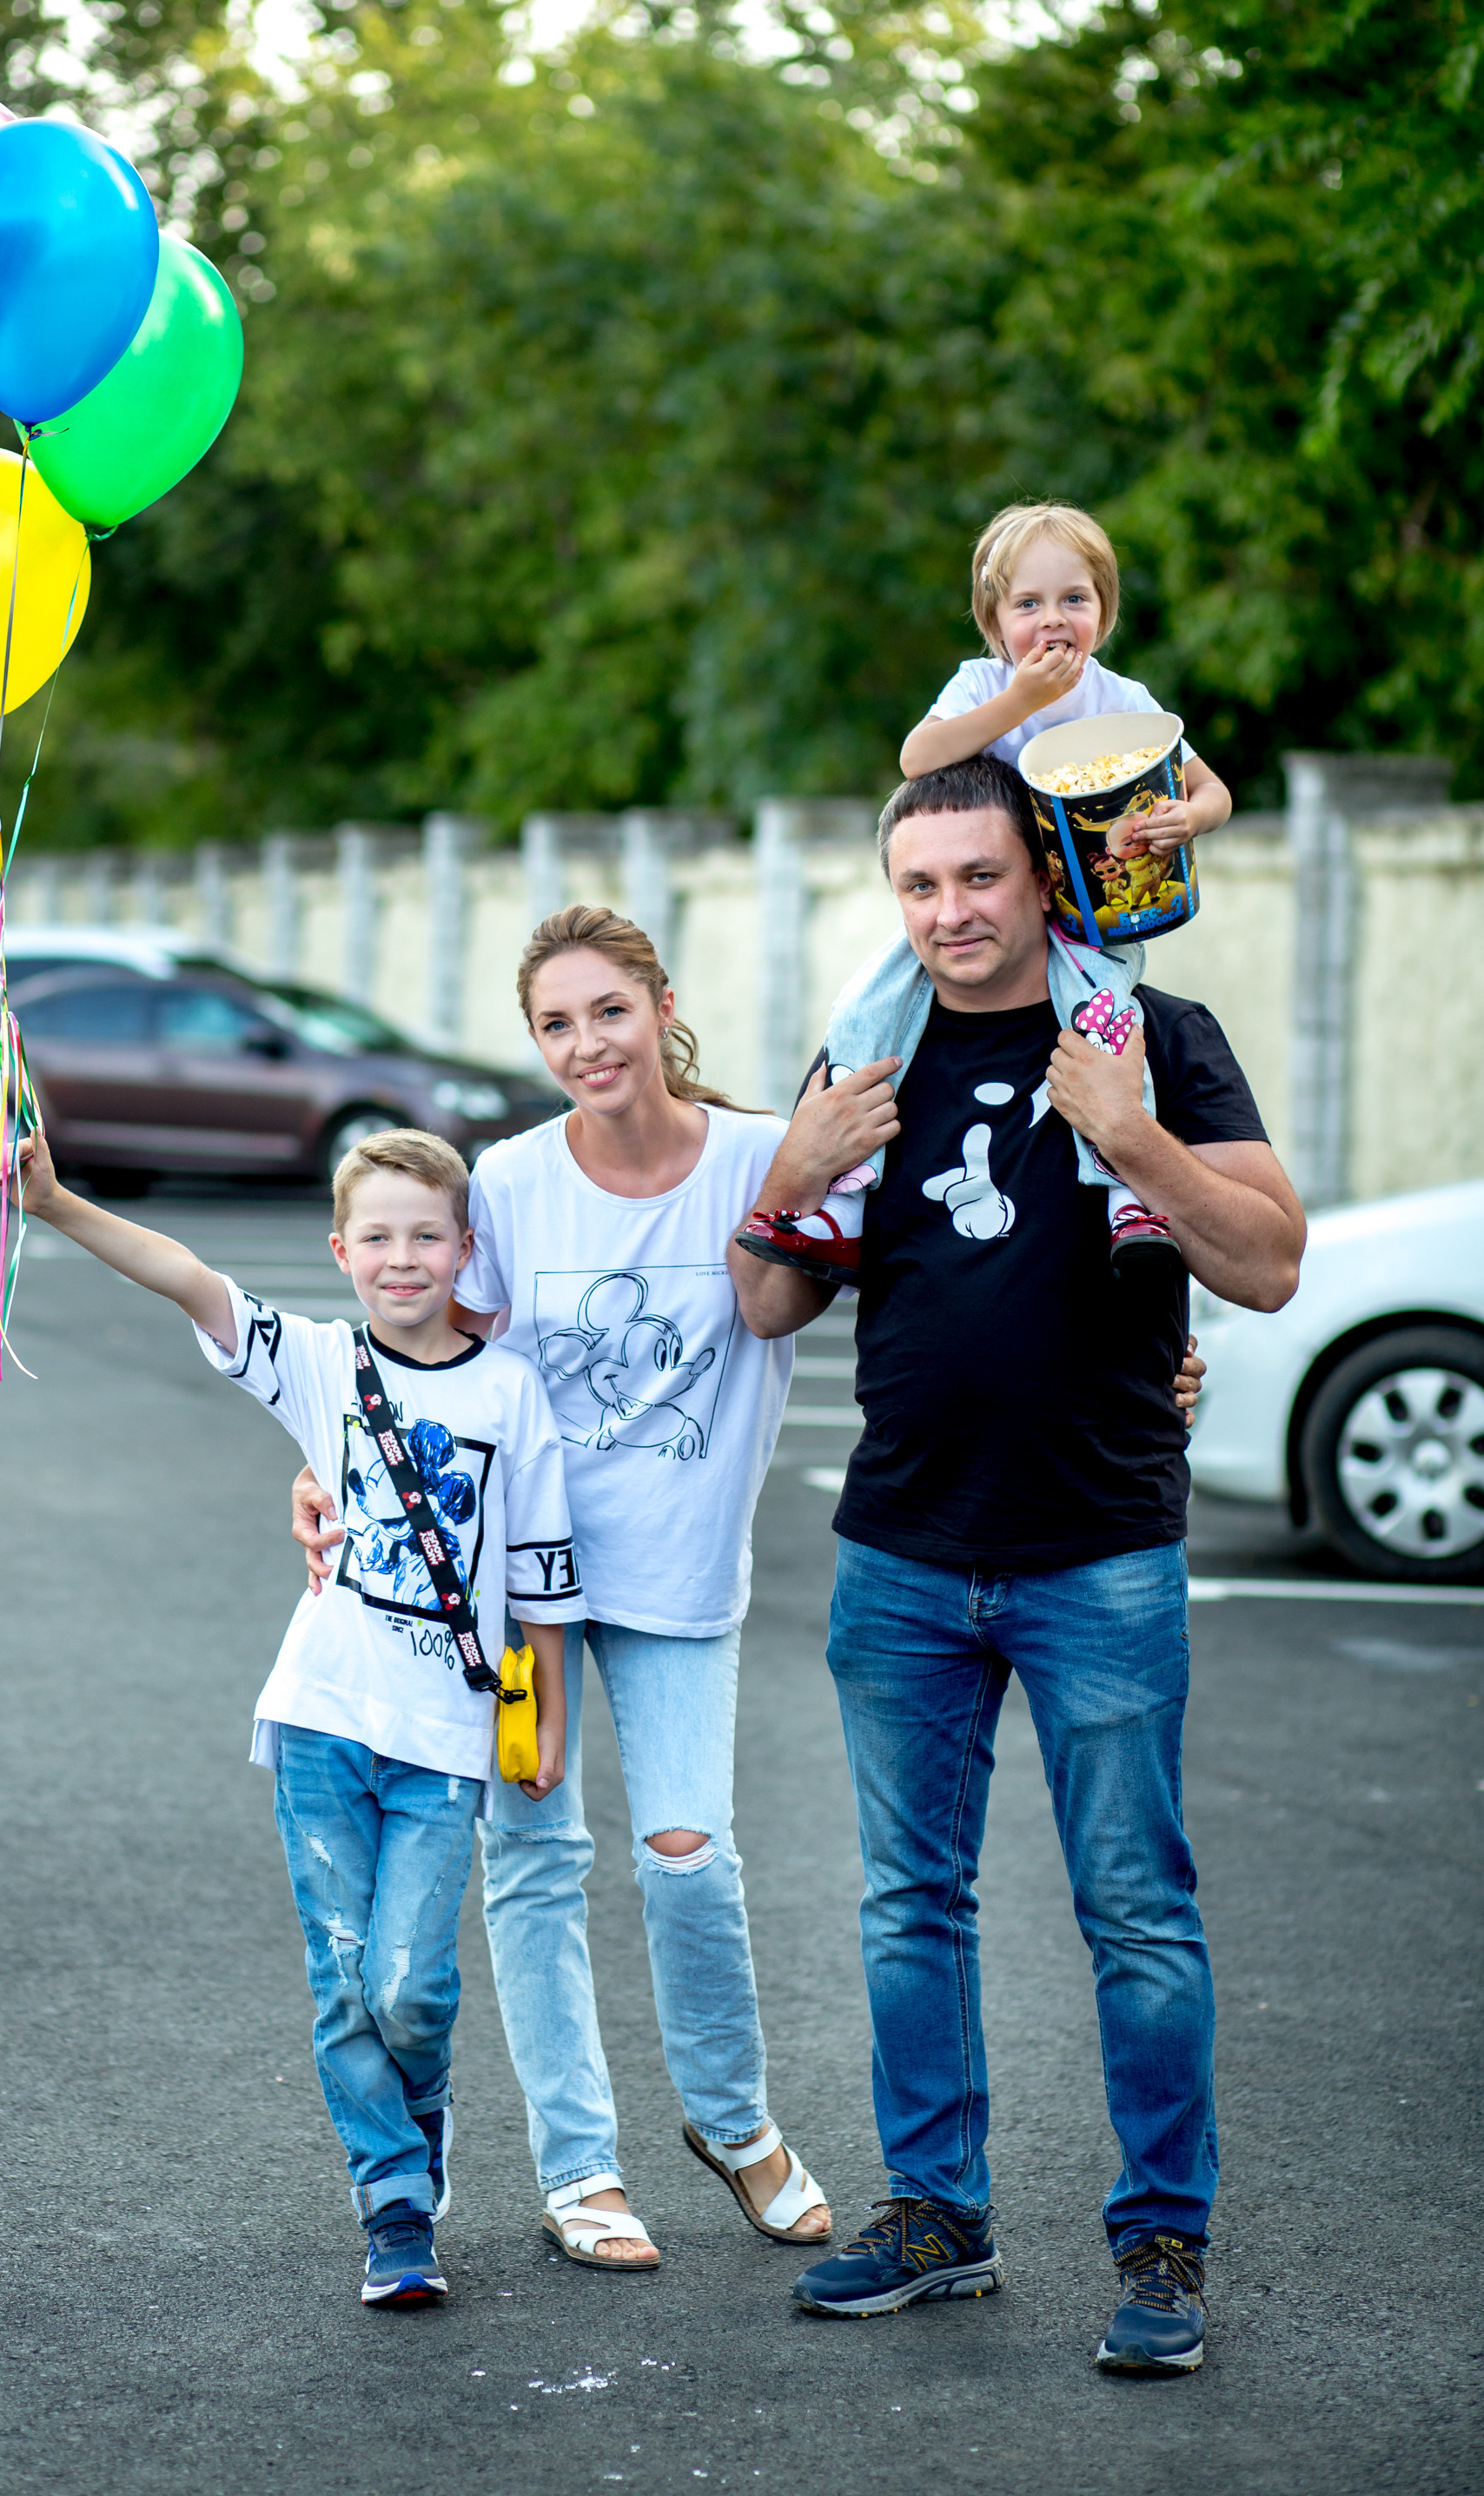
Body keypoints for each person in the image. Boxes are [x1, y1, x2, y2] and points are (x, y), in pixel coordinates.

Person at [728, 755, 1303, 2376]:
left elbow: (1264, 1262)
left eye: (978, 879)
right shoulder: (871, 1059)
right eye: (919, 887)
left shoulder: (1151, 1039)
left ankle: (1165, 2241)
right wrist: (786, 1170)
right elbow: (771, 1306)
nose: (950, 914)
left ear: (1041, 878)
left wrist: (1133, 1140)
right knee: (911, 1904)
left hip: (1099, 1549)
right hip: (902, 1553)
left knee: (1136, 1909)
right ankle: (938, 2219)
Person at [294, 907, 833, 2271]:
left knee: (689, 1862)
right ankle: (579, 2168)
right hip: (514, 1596)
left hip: (676, 1582)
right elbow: (417, 1349)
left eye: (608, 1010)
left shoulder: (769, 1159)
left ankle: (732, 2119)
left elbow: (930, 1278)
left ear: (662, 1004)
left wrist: (1150, 1371)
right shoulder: (512, 1184)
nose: (586, 1043)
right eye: (554, 1023)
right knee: (533, 1864)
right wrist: (325, 1474)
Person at [0, 1122, 579, 2313]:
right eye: (378, 1237)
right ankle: (394, 2204)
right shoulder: (317, 1363)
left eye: (427, 1236)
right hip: (318, 1717)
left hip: (447, 1737)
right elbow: (189, 1276)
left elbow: (541, 1574)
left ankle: (420, 2130)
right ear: (342, 1250)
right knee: (344, 1975)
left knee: (412, 1986)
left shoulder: (511, 1392)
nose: (402, 1258)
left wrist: (551, 1720)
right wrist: (55, 1206)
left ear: (467, 1248)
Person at [738, 501, 1235, 1287]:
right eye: (1027, 605)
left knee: (1107, 1029)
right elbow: (918, 756)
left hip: (1091, 920)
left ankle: (1124, 1197)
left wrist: (1187, 816)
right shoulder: (984, 685)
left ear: (1103, 611)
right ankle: (845, 1195)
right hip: (987, 907)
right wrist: (1020, 703)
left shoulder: (1124, 700)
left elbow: (1213, 791)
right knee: (864, 1009)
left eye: (1074, 599)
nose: (1052, 622)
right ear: (995, 621)